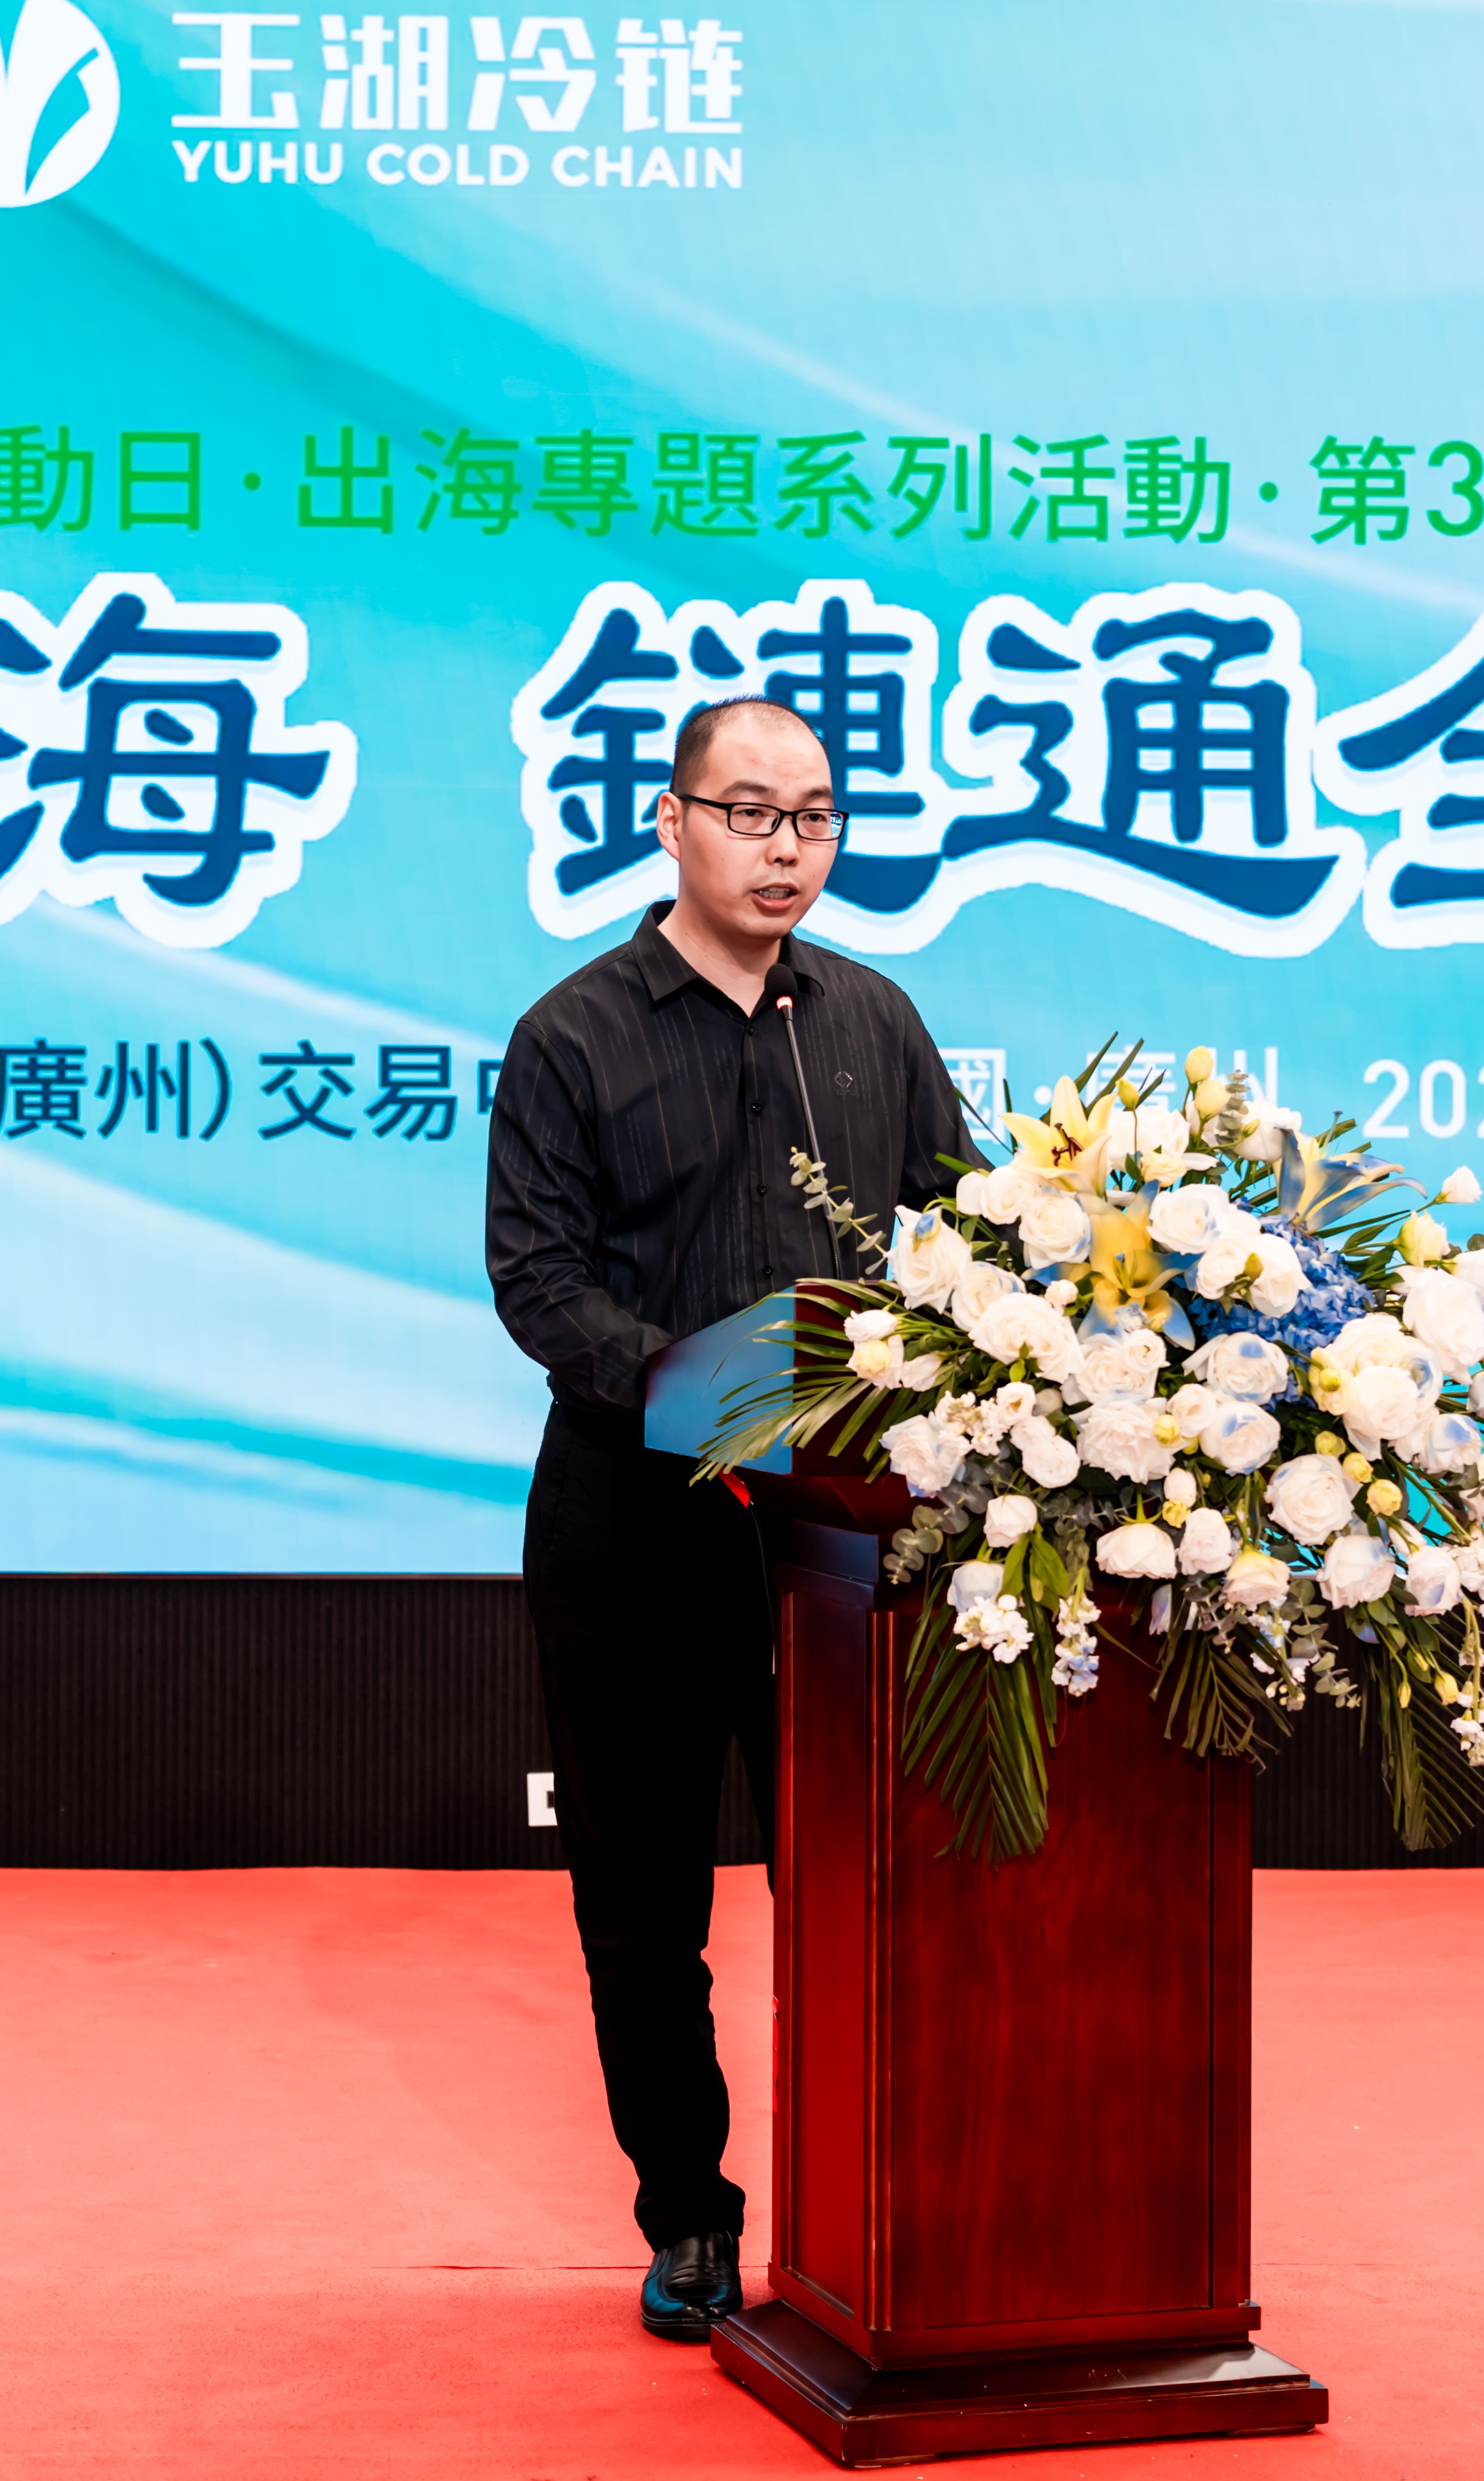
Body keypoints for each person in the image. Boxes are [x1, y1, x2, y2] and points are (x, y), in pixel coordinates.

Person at [484, 696, 980, 2341]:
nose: (788, 847)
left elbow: (962, 1249)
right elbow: (538, 1282)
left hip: (845, 1538)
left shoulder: (876, 1024)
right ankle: (689, 2214)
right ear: (673, 822)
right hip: (636, 1525)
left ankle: (877, 2211)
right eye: (751, 813)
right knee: (645, 1903)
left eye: (816, 816)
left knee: (862, 1886)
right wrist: (713, 1403)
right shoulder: (572, 1036)